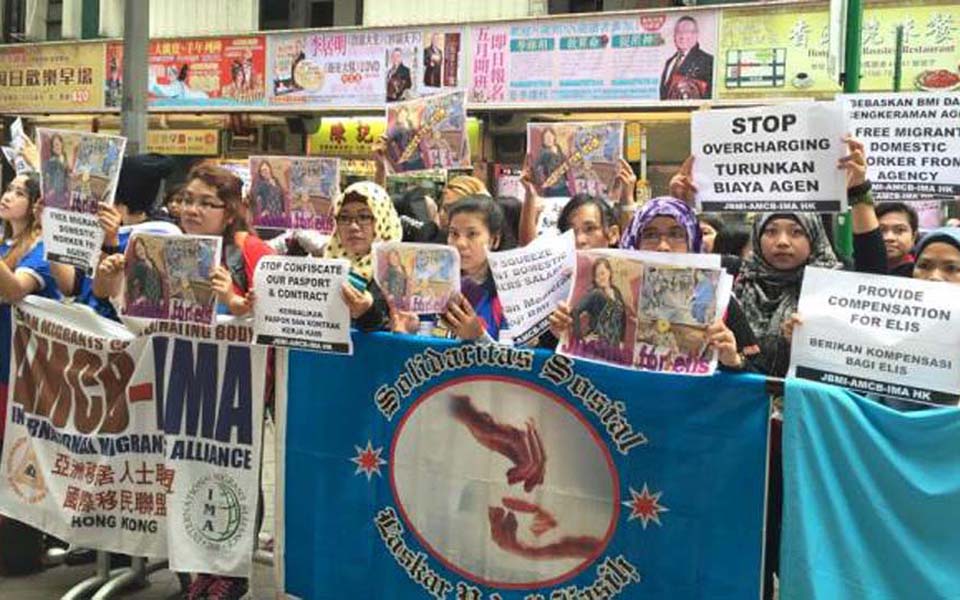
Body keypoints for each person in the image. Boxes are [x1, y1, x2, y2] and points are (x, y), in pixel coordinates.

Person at [550, 197, 758, 371]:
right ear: (634, 241)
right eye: (650, 235)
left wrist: (734, 360)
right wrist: (562, 336)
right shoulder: (607, 293)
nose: (663, 246)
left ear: (692, 240)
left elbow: (762, 377)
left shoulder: (720, 301)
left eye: (676, 234)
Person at [323, 181, 401, 331]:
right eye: (344, 218)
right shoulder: (328, 260)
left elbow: (397, 330)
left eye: (364, 216)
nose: (353, 226)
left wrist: (367, 313)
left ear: (382, 220)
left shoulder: (397, 271)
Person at [440, 195, 506, 341]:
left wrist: (479, 337)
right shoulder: (434, 286)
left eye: (472, 234)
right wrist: (407, 331)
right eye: (454, 233)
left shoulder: (508, 296)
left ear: (494, 240)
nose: (460, 243)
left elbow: (519, 360)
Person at [571, 257, 633, 348]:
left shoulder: (616, 291)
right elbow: (575, 311)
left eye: (602, 273)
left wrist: (621, 340)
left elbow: (622, 317)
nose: (600, 278)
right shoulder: (595, 294)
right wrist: (581, 339)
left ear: (609, 272)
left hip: (614, 346)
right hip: (597, 346)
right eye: (597, 276)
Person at [659, 16, 713, 100]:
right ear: (674, 35)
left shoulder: (707, 61)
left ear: (696, 35)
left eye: (687, 32)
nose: (682, 36)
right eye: (678, 32)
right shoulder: (670, 62)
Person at [875, 202, 919, 277]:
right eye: (881, 230)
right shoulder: (855, 269)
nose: (889, 237)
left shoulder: (921, 274)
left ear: (913, 237)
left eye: (900, 230)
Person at [533, 128, 570, 198]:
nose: (549, 139)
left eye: (550, 136)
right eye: (546, 138)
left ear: (554, 137)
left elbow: (566, 166)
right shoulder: (543, 153)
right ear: (543, 140)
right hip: (551, 187)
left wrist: (567, 179)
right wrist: (540, 181)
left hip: (563, 185)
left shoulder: (560, 151)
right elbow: (535, 167)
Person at [252, 160, 286, 226]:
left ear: (269, 169)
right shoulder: (261, 184)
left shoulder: (276, 180)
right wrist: (263, 212)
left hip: (278, 212)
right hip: (268, 213)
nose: (265, 172)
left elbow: (281, 196)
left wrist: (283, 211)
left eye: (265, 169)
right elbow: (254, 194)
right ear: (260, 173)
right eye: (262, 171)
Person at [42, 133, 71, 209]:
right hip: (56, 194)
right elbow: (46, 175)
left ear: (62, 144)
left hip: (65, 192)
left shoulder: (64, 156)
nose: (56, 147)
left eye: (57, 144)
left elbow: (67, 172)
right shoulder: (52, 161)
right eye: (54, 146)